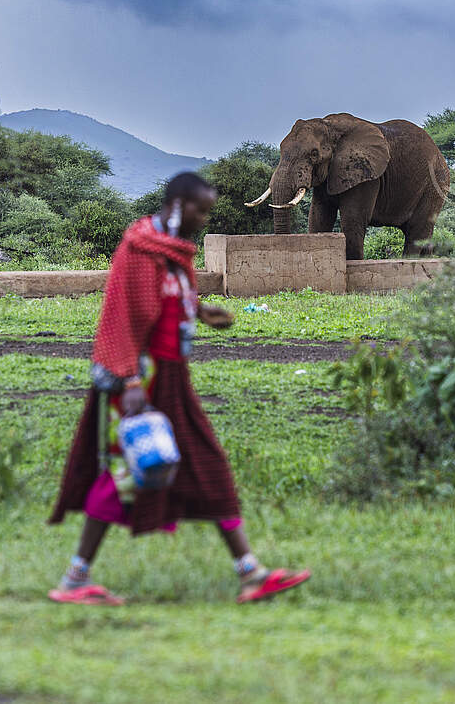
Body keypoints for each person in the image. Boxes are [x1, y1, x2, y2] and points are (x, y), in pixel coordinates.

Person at [48, 172, 310, 605]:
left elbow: (166, 301)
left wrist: (201, 312)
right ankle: (75, 580)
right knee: (129, 472)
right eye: (199, 210)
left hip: (173, 380)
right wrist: (131, 381)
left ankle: (251, 573)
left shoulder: (174, 252)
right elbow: (123, 314)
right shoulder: (138, 249)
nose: (203, 219)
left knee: (205, 467)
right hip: (142, 381)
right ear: (176, 205)